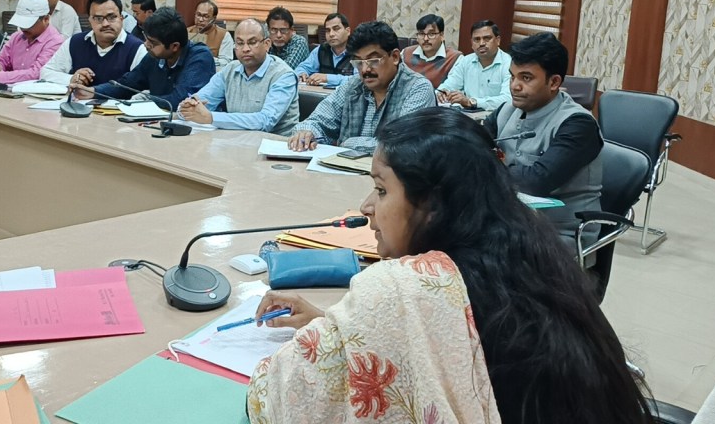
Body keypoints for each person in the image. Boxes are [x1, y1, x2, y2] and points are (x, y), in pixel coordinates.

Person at [248, 107, 655, 424]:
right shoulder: (528, 247)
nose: (366, 206)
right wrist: (339, 327)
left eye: (381, 189)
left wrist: (340, 334)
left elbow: (275, 396)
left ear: (432, 204)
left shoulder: (404, 287)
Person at [483, 32, 603, 245]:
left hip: (560, 234)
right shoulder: (507, 110)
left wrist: (483, 166)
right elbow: (471, 145)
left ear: (554, 82)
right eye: (512, 76)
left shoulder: (578, 124)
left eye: (526, 78)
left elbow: (535, 182)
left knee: (478, 251)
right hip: (510, 221)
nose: (514, 86)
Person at [289, 21, 435, 153]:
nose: (365, 70)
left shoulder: (418, 88)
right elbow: (317, 121)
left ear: (395, 57)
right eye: (358, 62)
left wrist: (348, 144)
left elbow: (401, 144)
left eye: (373, 60)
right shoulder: (353, 85)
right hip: (345, 171)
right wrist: (307, 133)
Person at [179, 18, 299, 136]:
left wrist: (211, 117)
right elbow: (201, 101)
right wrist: (188, 107)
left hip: (274, 144)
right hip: (236, 140)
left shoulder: (283, 75)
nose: (245, 49)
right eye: (240, 43)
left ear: (267, 44)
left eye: (252, 42)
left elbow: (265, 121)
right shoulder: (230, 70)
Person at [82, 7, 214, 110]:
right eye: (146, 39)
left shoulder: (199, 57)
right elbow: (127, 84)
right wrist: (93, 91)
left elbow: (179, 100)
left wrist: (144, 101)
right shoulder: (155, 55)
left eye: (153, 43)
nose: (146, 45)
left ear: (174, 46)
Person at [39, 0, 147, 87]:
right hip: (78, 103)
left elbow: (142, 87)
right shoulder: (75, 42)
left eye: (111, 17)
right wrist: (71, 79)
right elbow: (46, 72)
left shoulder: (137, 48)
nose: (105, 24)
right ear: (90, 21)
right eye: (98, 18)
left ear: (121, 18)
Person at [436, 19, 512, 111]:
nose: (482, 43)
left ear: (498, 40)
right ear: (472, 43)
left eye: (487, 38)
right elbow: (450, 84)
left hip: (496, 115)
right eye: (477, 39)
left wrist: (472, 102)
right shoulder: (466, 61)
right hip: (468, 114)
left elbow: (508, 99)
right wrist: (441, 93)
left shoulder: (509, 64)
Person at [402, 13, 461, 88]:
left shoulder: (455, 58)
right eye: (421, 34)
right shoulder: (405, 53)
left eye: (431, 34)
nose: (426, 39)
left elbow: (449, 88)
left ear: (442, 35)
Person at [295, 12, 353, 87]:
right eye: (328, 30)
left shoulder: (357, 52)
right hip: (321, 93)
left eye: (336, 29)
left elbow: (358, 80)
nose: (331, 34)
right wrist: (302, 74)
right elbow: (302, 68)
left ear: (348, 31)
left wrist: (327, 78)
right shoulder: (321, 50)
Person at [187, 0, 233, 65]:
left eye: (205, 16)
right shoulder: (186, 32)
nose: (200, 19)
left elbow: (226, 62)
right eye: (198, 15)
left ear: (213, 19)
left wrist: (206, 58)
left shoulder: (224, 35)